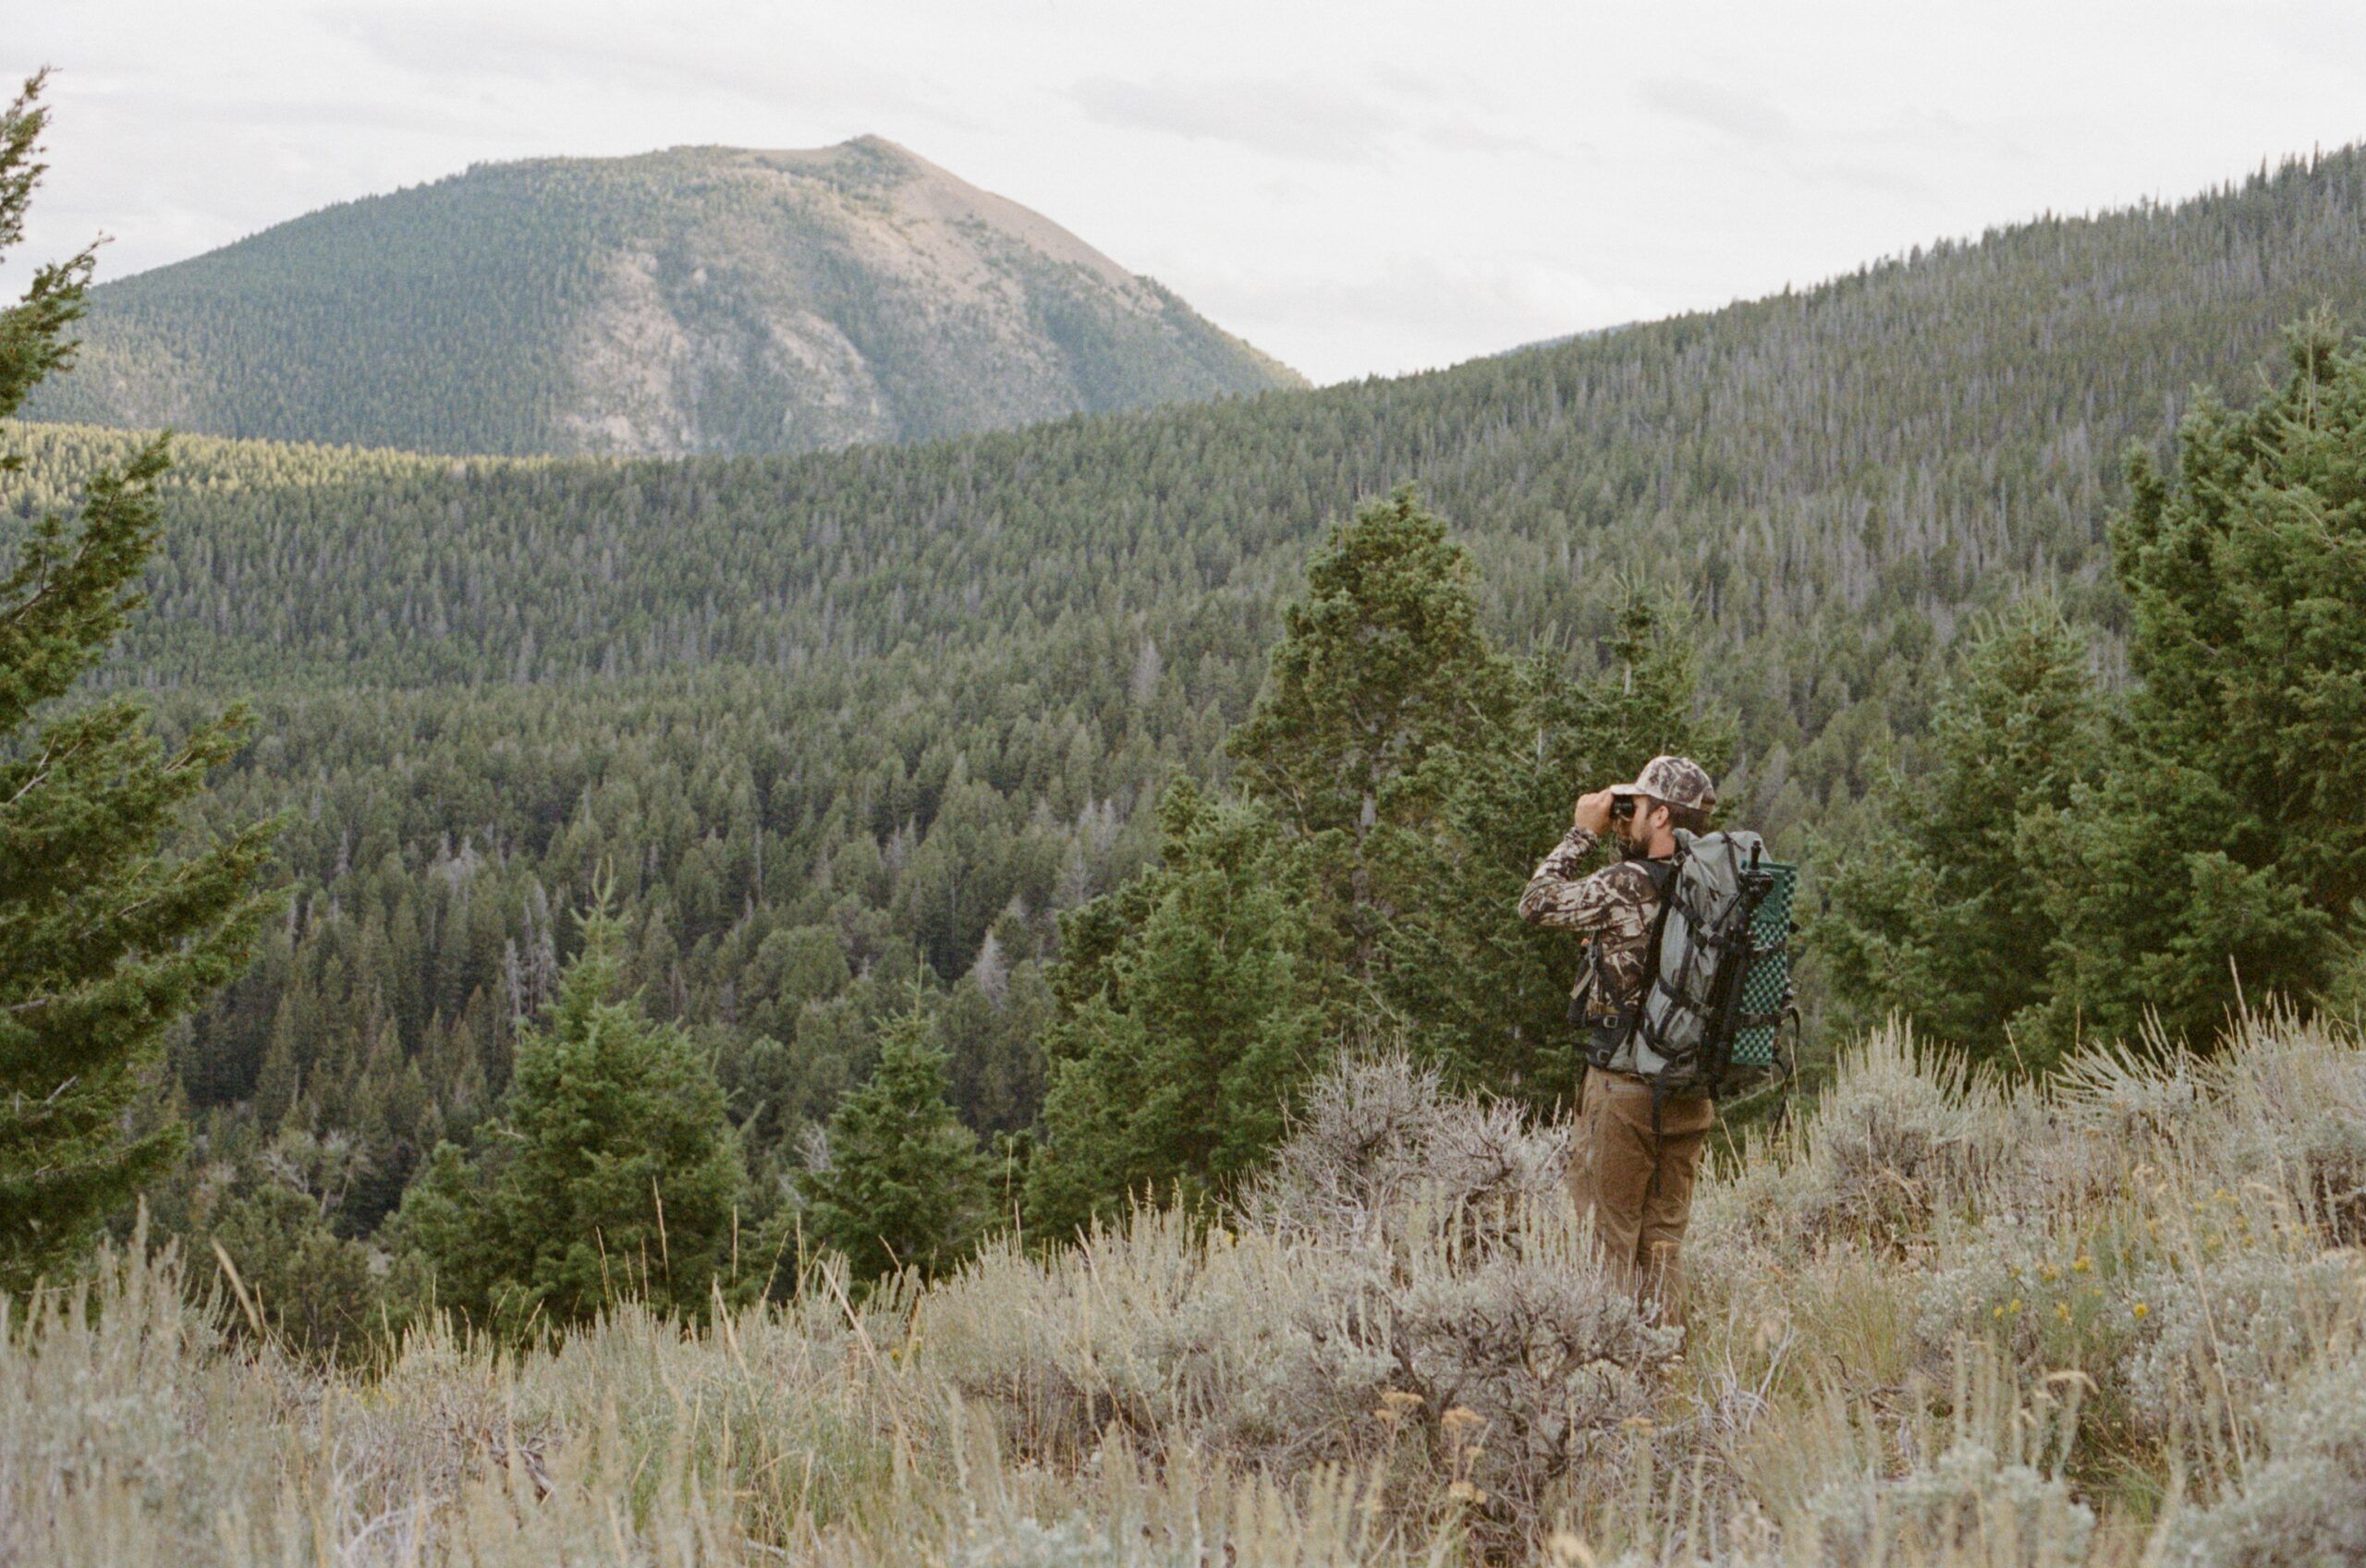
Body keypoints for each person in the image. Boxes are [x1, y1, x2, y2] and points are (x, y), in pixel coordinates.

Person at [1518, 753, 1718, 1313]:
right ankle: (1666, 1371)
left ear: (1661, 818)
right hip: (1691, 1092)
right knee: (1663, 1247)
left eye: (1638, 807)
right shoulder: (1716, 890)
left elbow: (1535, 904)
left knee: (1605, 1242)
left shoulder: (1628, 885)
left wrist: (1582, 834)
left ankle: (1611, 1379)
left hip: (1625, 1091)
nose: (1626, 817)